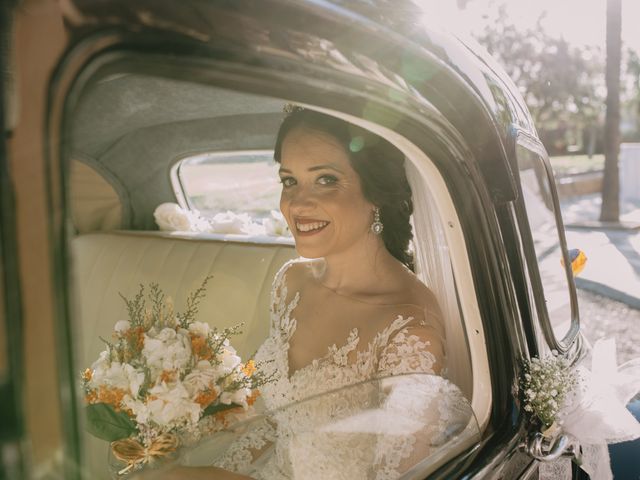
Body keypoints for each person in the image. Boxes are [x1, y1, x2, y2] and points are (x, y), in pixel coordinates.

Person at [153, 107, 472, 480]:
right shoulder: (291, 283)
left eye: (325, 179)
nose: (297, 204)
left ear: (377, 194)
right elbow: (279, 423)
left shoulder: (408, 329)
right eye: (289, 181)